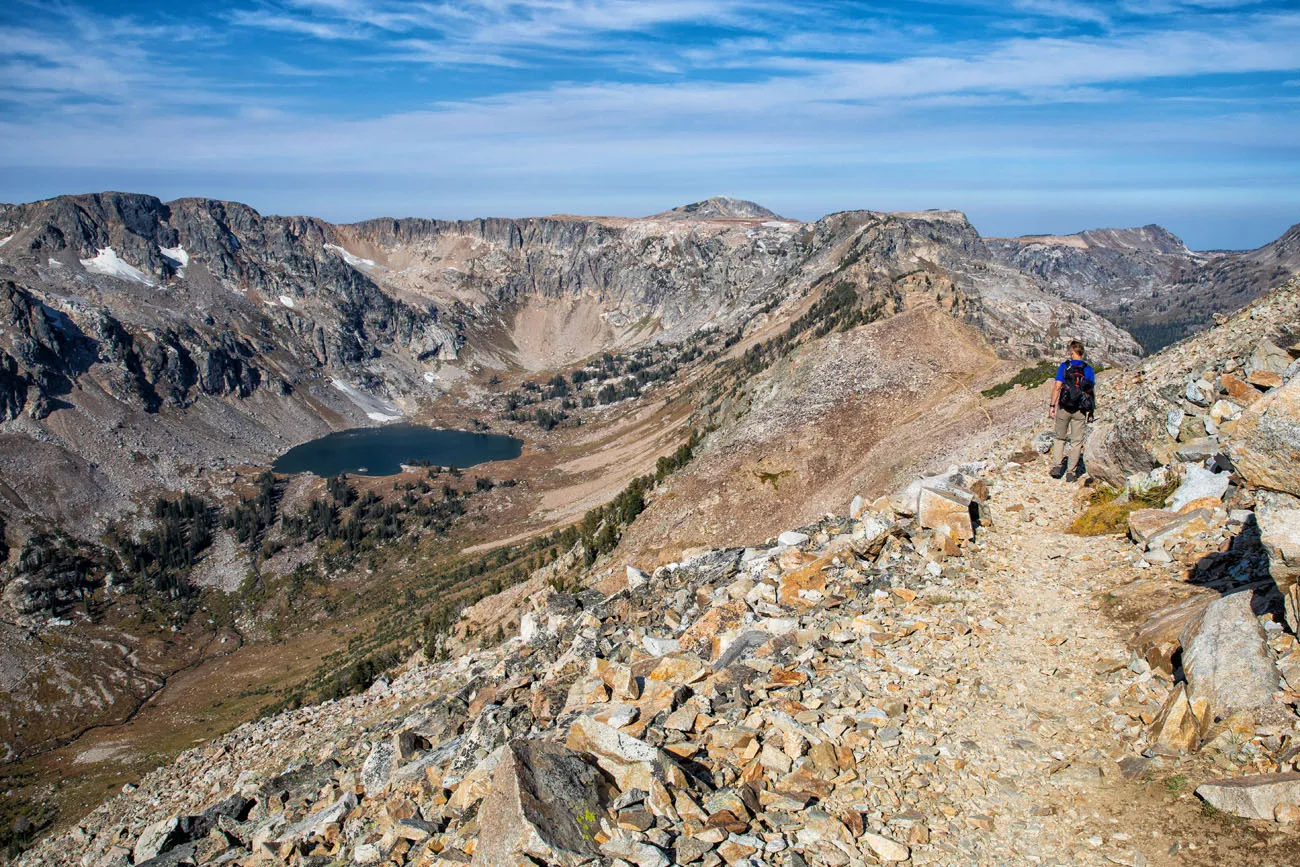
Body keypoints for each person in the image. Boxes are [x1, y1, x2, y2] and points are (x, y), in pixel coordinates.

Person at [1048, 340, 1095, 481]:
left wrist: (1052, 406)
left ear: (1073, 352)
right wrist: (1091, 411)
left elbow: (1057, 386)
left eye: (1071, 352)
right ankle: (1071, 472)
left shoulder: (1064, 366)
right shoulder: (1088, 369)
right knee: (1076, 442)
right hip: (1080, 410)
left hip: (1064, 407)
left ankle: (1057, 466)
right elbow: (1091, 391)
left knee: (1059, 438)